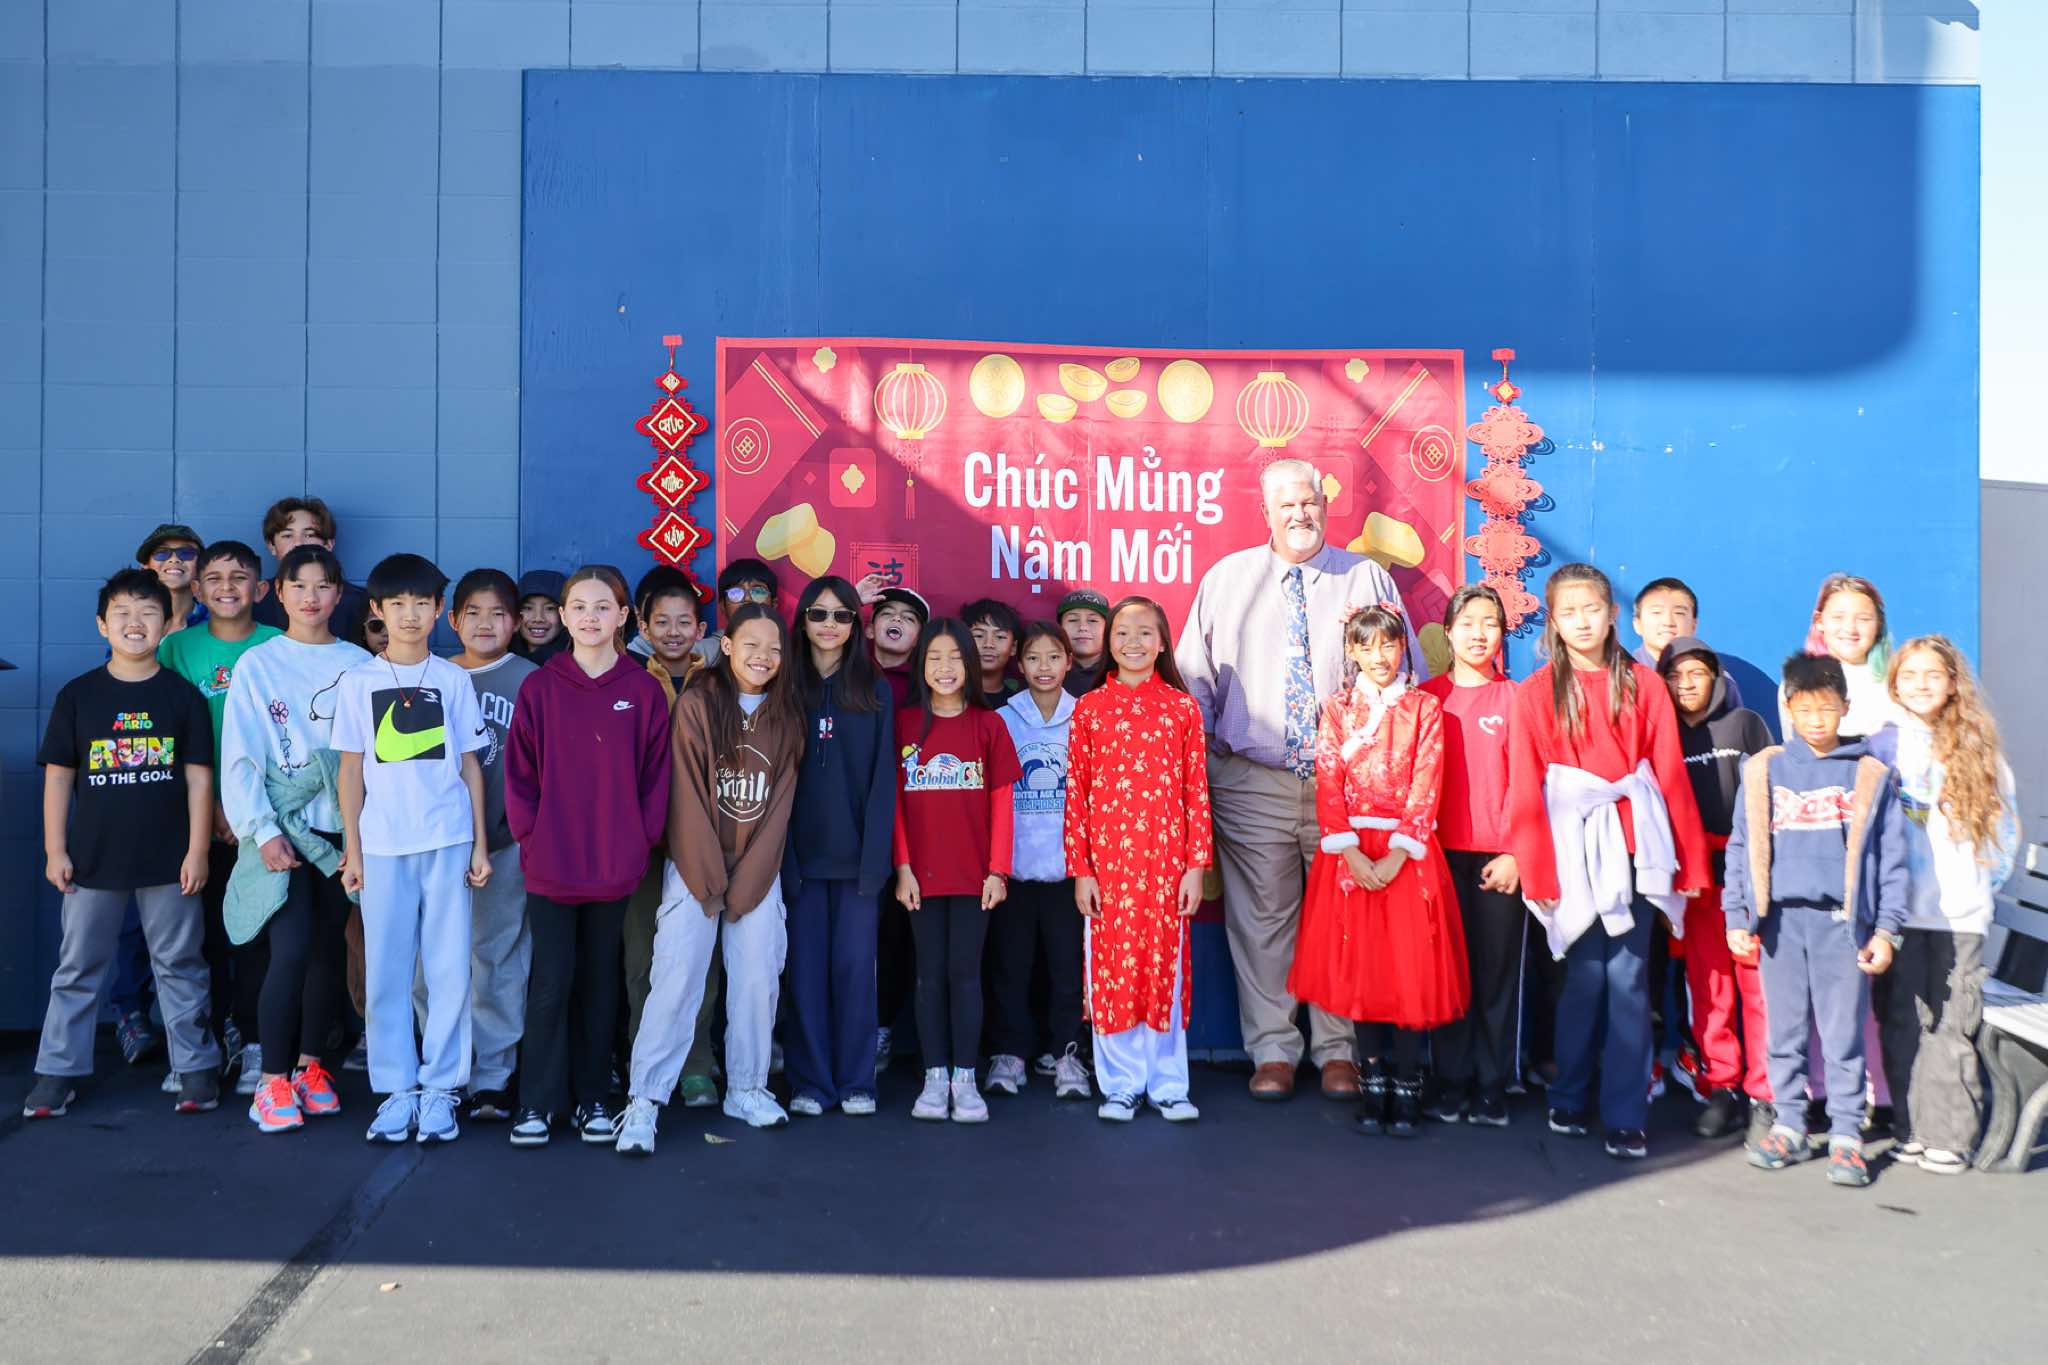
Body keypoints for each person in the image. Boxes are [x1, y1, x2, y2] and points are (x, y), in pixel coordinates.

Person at [1176, 457, 1414, 1101]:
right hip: (1251, 781)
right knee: (1261, 920)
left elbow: (1403, 675)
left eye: (1309, 502)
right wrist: (1203, 775)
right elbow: (1194, 685)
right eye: (1286, 505)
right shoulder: (1227, 580)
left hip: (1349, 783)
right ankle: (1274, 1050)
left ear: (1325, 506)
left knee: (1343, 918)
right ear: (1266, 512)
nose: (1300, 514)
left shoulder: (1365, 577)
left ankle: (1339, 1051)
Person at [1506, 563, 1710, 1161]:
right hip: (1570, 848)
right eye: (1568, 613)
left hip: (1632, 845)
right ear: (1552, 620)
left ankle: (1625, 1113)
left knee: (1628, 979)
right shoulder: (1535, 691)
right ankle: (1568, 1095)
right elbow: (1524, 787)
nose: (1581, 622)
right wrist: (1537, 868)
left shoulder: (1644, 684)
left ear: (1613, 613)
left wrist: (1689, 863)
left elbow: (1669, 774)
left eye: (1591, 610)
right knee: (1581, 978)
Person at [22, 570, 221, 1120]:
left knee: (180, 963)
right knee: (78, 967)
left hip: (169, 859)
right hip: (92, 858)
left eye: (148, 612)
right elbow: (59, 777)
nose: (135, 623)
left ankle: (196, 1067)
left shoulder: (181, 696)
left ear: (167, 623)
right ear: (101, 625)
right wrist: (55, 849)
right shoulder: (79, 695)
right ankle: (57, 1072)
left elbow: (199, 779)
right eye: (123, 614)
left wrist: (197, 850)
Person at [617, 604, 805, 1153]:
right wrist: (706, 876)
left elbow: (780, 807)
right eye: (751, 645)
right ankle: (645, 1099)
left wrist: (747, 882)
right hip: (695, 870)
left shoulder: (786, 714)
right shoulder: (699, 703)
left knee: (757, 979)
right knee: (675, 980)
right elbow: (685, 794)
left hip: (756, 874)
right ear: (726, 645)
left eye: (774, 648)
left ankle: (746, 1088)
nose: (762, 657)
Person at [504, 566, 671, 1148]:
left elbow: (656, 778)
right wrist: (531, 837)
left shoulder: (642, 690)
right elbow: (520, 776)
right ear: (563, 616)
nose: (590, 617)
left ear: (624, 617)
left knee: (602, 981)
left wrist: (639, 839)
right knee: (551, 980)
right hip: (551, 862)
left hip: (613, 863)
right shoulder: (541, 687)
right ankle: (536, 1102)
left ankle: (594, 1097)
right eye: (579, 607)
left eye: (603, 607)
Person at [1727, 653, 1908, 1189]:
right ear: (1788, 708)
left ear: (1844, 707)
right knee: (1783, 1031)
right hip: (1779, 924)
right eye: (1804, 709)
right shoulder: (1765, 769)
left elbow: (1892, 859)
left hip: (1841, 925)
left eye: (1826, 709)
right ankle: (1789, 1124)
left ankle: (1848, 1134)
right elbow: (1741, 847)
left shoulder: (1868, 774)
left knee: (1842, 1032)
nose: (1815, 720)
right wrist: (1737, 914)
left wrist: (1886, 930)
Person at [332, 554, 491, 1145]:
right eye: (397, 604)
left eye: (421, 603)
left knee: (449, 970)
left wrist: (479, 843)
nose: (409, 615)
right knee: (387, 972)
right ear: (377, 610)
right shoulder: (358, 682)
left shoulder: (453, 680)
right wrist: (353, 849)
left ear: (439, 611)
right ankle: (396, 1089)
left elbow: (470, 766)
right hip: (383, 845)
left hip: (447, 839)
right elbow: (351, 772)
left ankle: (442, 1087)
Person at [1289, 605, 1464, 1138]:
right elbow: (1328, 781)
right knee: (1362, 965)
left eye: (1388, 644)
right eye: (1366, 646)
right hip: (1351, 856)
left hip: (1406, 854)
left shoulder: (1424, 708)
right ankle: (1373, 1080)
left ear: (1403, 647)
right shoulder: (1337, 709)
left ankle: (1408, 1080)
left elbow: (1427, 783)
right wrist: (1349, 853)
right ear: (1352, 651)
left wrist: (1396, 853)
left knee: (1408, 967)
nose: (1379, 656)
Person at [220, 544, 372, 1133]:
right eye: (299, 586)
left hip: (341, 830)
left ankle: (311, 1068)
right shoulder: (259, 663)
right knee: (290, 947)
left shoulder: (360, 663)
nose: (312, 597)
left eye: (324, 586)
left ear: (339, 595)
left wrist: (360, 835)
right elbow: (241, 755)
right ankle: (271, 1079)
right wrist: (260, 830)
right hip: (283, 827)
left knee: (331, 949)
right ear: (278, 593)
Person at [1064, 597, 1215, 1123]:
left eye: (1145, 632)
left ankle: (1169, 1085)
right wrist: (1081, 870)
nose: (1133, 642)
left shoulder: (1181, 708)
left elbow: (1197, 791)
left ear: (1163, 642)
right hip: (1108, 870)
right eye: (1122, 632)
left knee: (1164, 971)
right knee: (1112, 973)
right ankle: (1121, 1085)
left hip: (1167, 866)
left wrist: (1195, 866)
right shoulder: (1089, 709)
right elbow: (1076, 794)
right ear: (1108, 643)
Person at [1877, 635, 2019, 1175]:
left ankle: (1950, 1135)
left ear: (1953, 683)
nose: (1921, 684)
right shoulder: (1883, 746)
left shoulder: (1976, 749)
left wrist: (1978, 891)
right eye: (1910, 675)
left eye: (1933, 674)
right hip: (1901, 913)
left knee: (1952, 1024)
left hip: (1958, 916)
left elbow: (2003, 834)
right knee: (1903, 1022)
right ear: (1895, 684)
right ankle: (1910, 1128)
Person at [158, 539, 282, 1094]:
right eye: (214, 578)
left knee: (256, 934)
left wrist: (248, 811)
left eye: (239, 577)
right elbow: (167, 732)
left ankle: (255, 1043)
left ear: (261, 588)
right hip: (195, 817)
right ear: (197, 589)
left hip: (265, 817)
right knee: (200, 936)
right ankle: (202, 1048)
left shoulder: (278, 644)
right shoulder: (176, 648)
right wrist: (208, 810)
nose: (227, 588)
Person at [893, 617, 1020, 1124]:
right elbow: (893, 805)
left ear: (969, 664)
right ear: (920, 665)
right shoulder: (903, 724)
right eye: (934, 658)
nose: (945, 668)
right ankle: (934, 1076)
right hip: (919, 878)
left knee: (965, 975)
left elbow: (1003, 804)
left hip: (975, 878)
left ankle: (965, 1078)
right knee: (928, 976)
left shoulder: (989, 726)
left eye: (954, 658)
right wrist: (902, 867)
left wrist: (998, 871)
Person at [781, 577, 896, 1118]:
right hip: (797, 861)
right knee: (803, 974)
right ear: (802, 619)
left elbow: (883, 782)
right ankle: (810, 1081)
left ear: (856, 625)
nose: (830, 625)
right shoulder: (783, 683)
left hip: (857, 865)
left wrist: (876, 863)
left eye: (842, 616)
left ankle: (856, 1081)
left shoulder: (875, 688)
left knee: (855, 972)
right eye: (819, 614)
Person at [1657, 636, 1776, 1142]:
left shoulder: (1746, 724)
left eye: (1696, 674)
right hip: (1696, 881)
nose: (1686, 685)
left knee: (1758, 987)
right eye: (1675, 676)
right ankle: (1721, 1083)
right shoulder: (1662, 734)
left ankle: (1766, 1094)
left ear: (1716, 679)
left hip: (1746, 876)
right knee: (1710, 989)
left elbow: (1771, 798)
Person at [1419, 585, 1523, 1128]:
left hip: (1496, 860)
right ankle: (1450, 1080)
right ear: (1448, 632)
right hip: (1435, 857)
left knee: (1495, 975)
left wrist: (1517, 853)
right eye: (1468, 623)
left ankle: (1491, 1083)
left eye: (1490, 623)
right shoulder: (1425, 698)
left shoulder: (1517, 700)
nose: (1479, 634)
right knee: (1446, 974)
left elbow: (1531, 786)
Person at [621, 567, 722, 1110]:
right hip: (641, 842)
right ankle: (646, 1062)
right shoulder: (629, 678)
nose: (674, 632)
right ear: (643, 627)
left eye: (685, 622)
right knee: (642, 957)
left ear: (701, 629)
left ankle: (697, 1064)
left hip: (703, 841)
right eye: (662, 622)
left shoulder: (719, 681)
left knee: (698, 961)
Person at [445, 568, 538, 1122]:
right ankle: (445, 1071)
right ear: (453, 619)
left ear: (517, 622)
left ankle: (494, 1075)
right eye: (473, 613)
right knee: (433, 963)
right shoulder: (431, 674)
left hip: (506, 843)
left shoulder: (531, 681)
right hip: (436, 845)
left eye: (498, 613)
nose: (485, 623)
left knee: (497, 956)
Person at [990, 622, 1088, 1100]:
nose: (1043, 667)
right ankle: (1010, 1053)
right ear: (1020, 664)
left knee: (1067, 968)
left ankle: (1066, 1052)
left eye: (1053, 657)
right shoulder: (1003, 719)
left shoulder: (1084, 716)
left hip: (1068, 870)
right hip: (1013, 868)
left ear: (1069, 662)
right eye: (1033, 658)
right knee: (1010, 966)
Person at [866, 583, 930, 1070]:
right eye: (887, 613)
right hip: (856, 821)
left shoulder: (928, 684)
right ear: (868, 627)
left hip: (914, 825)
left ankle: (887, 1029)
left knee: (899, 936)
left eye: (909, 618)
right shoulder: (849, 673)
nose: (896, 622)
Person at [1780, 573, 1901, 745]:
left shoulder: (1898, 679)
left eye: (1863, 619)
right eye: (1838, 617)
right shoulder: (1799, 680)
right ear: (1819, 621)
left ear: (1878, 625)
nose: (1850, 628)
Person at [251, 497, 370, 646]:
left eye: (309, 535)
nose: (298, 543)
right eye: (287, 536)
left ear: (328, 544)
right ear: (271, 546)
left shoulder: (359, 602)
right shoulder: (255, 600)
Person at [137, 522, 207, 633]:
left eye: (186, 553)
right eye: (162, 553)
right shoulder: (133, 623)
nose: (174, 559)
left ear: (201, 567)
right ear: (144, 568)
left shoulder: (217, 624)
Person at [868, 585, 928, 710]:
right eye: (887, 613)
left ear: (918, 639)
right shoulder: (848, 669)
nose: (897, 618)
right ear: (870, 630)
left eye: (909, 618)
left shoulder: (923, 685)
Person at [962, 597, 1023, 709]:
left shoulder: (1019, 705)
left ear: (1013, 647)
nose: (988, 644)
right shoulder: (950, 697)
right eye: (978, 635)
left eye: (1000, 637)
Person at [1056, 589, 1111, 697]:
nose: (1082, 627)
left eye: (1093, 620)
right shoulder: (1048, 672)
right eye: (1073, 620)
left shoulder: (1120, 673)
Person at [512, 568, 568, 664]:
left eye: (550, 608)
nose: (538, 618)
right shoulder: (500, 658)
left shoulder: (574, 663)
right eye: (528, 608)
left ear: (564, 614)